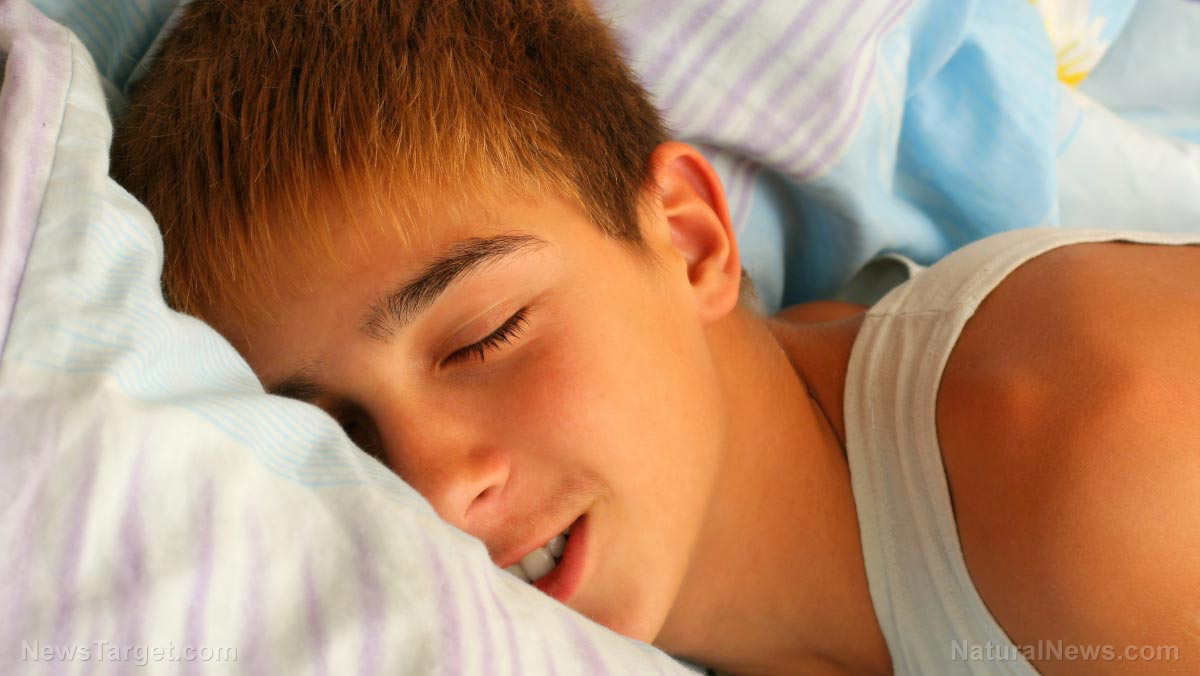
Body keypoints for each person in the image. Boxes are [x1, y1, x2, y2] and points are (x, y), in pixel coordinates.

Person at [110, 1, 1200, 674]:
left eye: (483, 337)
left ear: (689, 238)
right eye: (341, 436)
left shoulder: (1099, 458)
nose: (435, 491)